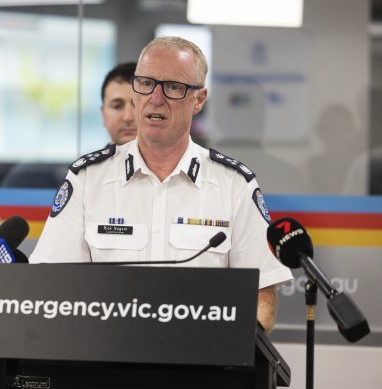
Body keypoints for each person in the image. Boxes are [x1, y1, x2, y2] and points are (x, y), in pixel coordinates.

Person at [29, 37, 293, 333]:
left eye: (173, 87)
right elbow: (49, 284)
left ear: (199, 100)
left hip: (199, 366)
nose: (156, 98)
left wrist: (231, 354)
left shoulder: (233, 184)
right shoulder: (88, 178)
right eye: (146, 83)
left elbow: (262, 293)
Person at [100, 62, 137, 146]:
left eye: (137, 105)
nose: (128, 117)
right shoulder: (89, 159)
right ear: (103, 114)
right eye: (117, 106)